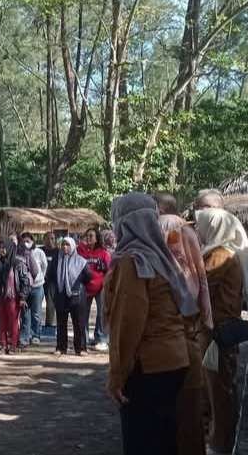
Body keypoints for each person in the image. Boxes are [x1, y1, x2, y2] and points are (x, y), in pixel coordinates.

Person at [105, 192, 195, 455]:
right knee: (165, 440)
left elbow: (128, 323)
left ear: (123, 223)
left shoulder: (132, 262)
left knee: (142, 442)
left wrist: (117, 374)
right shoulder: (162, 258)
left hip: (149, 367)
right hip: (175, 360)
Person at [154, 193, 211, 455]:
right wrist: (205, 313)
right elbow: (201, 275)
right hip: (192, 318)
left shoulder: (160, 228)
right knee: (191, 400)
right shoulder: (189, 232)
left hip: (166, 318)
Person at [195, 208, 248, 454]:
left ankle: (219, 444)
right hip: (219, 331)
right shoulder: (227, 252)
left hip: (216, 333)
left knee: (218, 392)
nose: (198, 231)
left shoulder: (219, 256)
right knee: (219, 389)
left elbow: (196, 287)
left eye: (202, 225)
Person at [0, 243, 31, 354]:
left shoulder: (18, 264)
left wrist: (22, 297)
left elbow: (25, 281)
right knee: (2, 322)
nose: (2, 250)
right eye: (1, 248)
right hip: (0, 297)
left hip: (14, 297)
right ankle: (3, 345)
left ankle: (13, 345)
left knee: (13, 322)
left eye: (4, 248)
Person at [53, 237, 91, 356]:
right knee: (61, 324)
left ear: (73, 246)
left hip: (77, 297)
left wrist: (75, 286)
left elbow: (88, 277)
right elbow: (50, 276)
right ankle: (61, 347)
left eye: (68, 245)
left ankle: (81, 348)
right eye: (63, 244)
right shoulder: (56, 260)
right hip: (61, 296)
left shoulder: (81, 261)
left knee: (79, 324)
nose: (65, 247)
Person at [79, 227, 112, 351]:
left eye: (91, 236)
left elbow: (110, 270)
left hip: (100, 287)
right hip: (85, 287)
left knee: (101, 313)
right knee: (83, 314)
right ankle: (84, 338)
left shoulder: (103, 253)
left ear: (97, 238)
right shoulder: (81, 251)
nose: (88, 238)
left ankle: (101, 338)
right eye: (87, 236)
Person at [18, 232, 48, 346]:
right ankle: (25, 336)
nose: (26, 243)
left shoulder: (39, 252)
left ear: (32, 242)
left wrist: (39, 278)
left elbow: (44, 267)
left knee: (36, 313)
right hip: (24, 288)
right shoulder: (19, 253)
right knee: (25, 313)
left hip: (37, 287)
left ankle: (36, 335)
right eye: (24, 241)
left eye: (28, 241)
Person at [41, 232, 60, 337]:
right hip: (39, 281)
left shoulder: (58, 251)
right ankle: (35, 326)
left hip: (52, 282)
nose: (50, 240)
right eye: (48, 238)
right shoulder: (41, 250)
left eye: (52, 238)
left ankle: (49, 326)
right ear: (44, 239)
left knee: (50, 305)